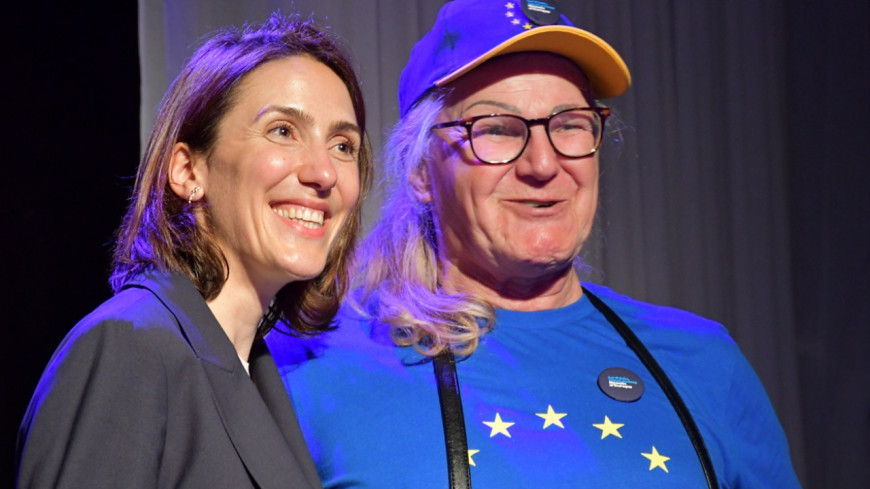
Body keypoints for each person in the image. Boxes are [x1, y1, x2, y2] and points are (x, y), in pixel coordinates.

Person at [268, 0, 801, 488]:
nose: (543, 164)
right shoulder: (310, 366)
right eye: (497, 129)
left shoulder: (704, 362)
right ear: (421, 170)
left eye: (569, 125)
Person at [16, 12, 372, 489]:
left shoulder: (261, 376)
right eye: (283, 131)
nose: (324, 173)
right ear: (188, 171)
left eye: (343, 145)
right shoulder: (130, 348)